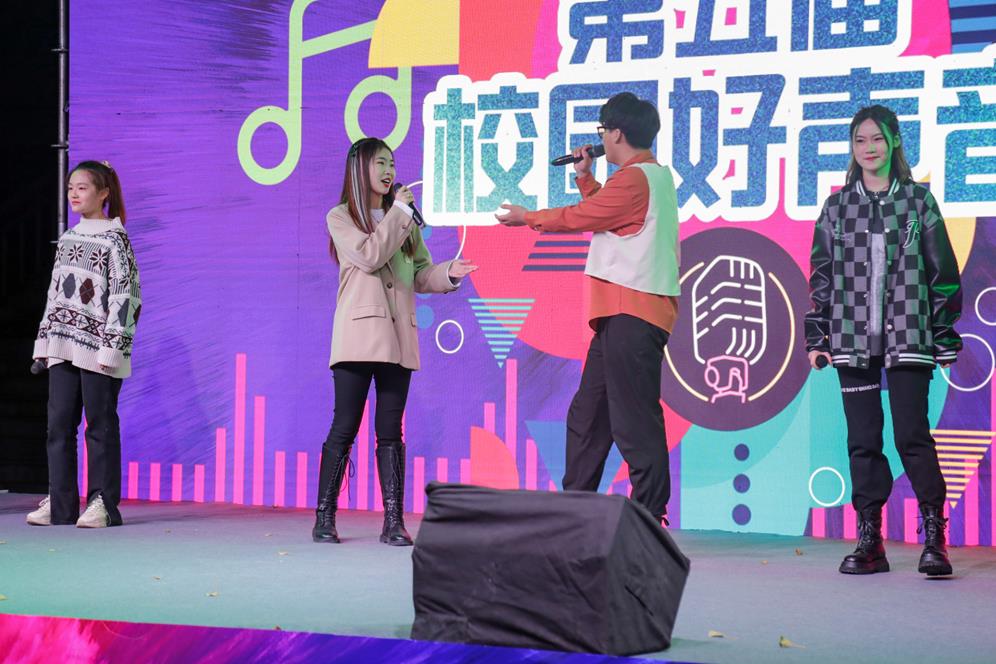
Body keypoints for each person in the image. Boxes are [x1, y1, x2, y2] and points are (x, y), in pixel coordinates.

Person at [496, 92, 679, 525]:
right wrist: (585, 178)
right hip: (621, 314)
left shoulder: (635, 180)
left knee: (634, 420)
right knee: (589, 415)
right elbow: (610, 215)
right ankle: (576, 510)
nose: (601, 137)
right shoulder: (647, 178)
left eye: (603, 130)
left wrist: (528, 217)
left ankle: (649, 514)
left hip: (633, 312)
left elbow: (584, 216)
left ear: (615, 134)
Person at [805, 105, 962, 576]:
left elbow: (942, 272)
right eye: (860, 140)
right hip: (851, 338)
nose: (868, 148)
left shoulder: (918, 201)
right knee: (862, 440)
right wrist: (818, 335)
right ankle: (870, 540)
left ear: (894, 141)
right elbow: (822, 275)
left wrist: (943, 334)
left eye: (877, 138)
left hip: (909, 334)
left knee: (912, 435)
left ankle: (934, 537)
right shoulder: (836, 207)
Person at [314, 137, 477, 545]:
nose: (389, 172)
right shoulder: (341, 217)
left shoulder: (402, 220)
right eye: (380, 164)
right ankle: (324, 516)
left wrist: (448, 273)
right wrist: (400, 213)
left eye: (392, 164)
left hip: (399, 338)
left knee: (391, 431)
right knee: (344, 426)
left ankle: (393, 522)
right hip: (357, 338)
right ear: (360, 168)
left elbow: (420, 273)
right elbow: (370, 256)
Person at [28, 160, 142, 528]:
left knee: (100, 426)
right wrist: (44, 342)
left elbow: (126, 296)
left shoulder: (114, 239)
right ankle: (60, 502)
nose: (74, 194)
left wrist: (113, 346)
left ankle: (102, 503)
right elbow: (55, 294)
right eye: (70, 188)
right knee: (59, 426)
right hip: (63, 345)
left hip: (99, 349)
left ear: (103, 193)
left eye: (82, 187)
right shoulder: (68, 239)